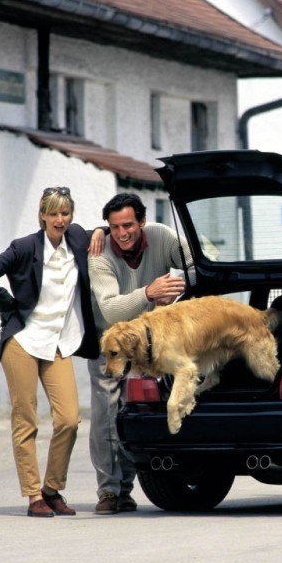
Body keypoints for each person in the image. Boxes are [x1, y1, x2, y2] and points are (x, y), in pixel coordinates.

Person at [0, 186, 106, 517]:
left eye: (65, 213)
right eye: (54, 213)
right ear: (42, 215)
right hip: (24, 342)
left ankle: (52, 488)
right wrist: (11, 308)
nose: (60, 219)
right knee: (26, 418)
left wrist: (101, 229)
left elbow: (97, 232)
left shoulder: (75, 238)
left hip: (58, 342)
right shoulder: (24, 247)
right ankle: (34, 495)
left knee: (70, 419)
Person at [87, 192, 192, 515]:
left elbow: (199, 263)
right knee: (106, 414)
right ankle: (108, 491)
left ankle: (127, 489)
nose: (122, 233)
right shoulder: (100, 251)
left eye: (128, 225)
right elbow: (109, 308)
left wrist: (176, 295)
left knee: (136, 412)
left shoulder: (161, 236)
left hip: (148, 343)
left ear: (142, 222)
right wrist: (148, 292)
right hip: (112, 343)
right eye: (115, 226)